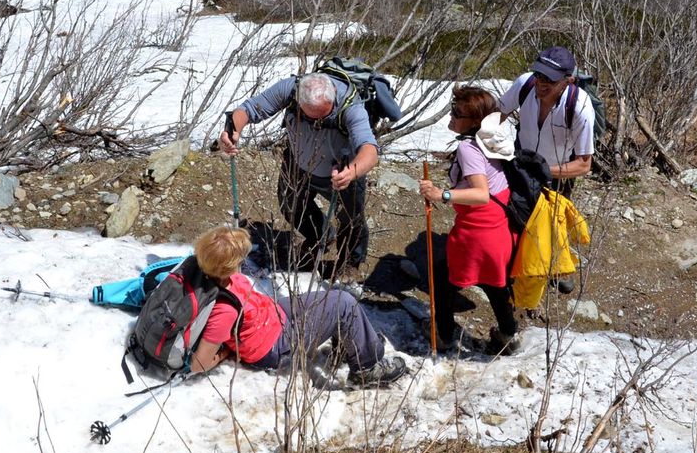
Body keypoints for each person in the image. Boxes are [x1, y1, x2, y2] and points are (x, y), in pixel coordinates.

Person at [187, 226, 407, 387]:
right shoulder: (224, 310)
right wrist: (225, 353)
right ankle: (366, 368)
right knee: (344, 304)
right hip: (274, 344)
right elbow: (199, 363)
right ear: (227, 265)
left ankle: (351, 342)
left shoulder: (211, 273)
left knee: (333, 299)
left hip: (271, 315)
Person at [219, 72, 378, 272]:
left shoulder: (352, 107)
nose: (317, 123)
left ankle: (350, 262)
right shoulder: (291, 89)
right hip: (298, 163)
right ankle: (320, 235)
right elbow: (249, 109)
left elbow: (369, 150)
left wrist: (352, 172)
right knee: (290, 205)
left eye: (323, 115)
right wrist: (232, 131)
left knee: (351, 218)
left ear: (333, 94)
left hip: (341, 170)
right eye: (310, 116)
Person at [418, 86, 521, 355]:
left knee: (443, 277)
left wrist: (441, 194)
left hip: (477, 230)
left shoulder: (468, 148)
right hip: (499, 229)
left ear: (475, 121)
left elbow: (480, 193)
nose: (451, 116)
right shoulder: (494, 140)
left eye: (457, 113)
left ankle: (443, 335)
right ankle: (508, 334)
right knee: (493, 281)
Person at [498, 46, 595, 198]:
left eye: (549, 79)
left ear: (568, 81)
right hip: (519, 165)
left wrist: (544, 171)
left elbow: (583, 164)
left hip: (557, 177)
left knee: (550, 221)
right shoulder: (525, 84)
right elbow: (497, 115)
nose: (540, 82)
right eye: (538, 74)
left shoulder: (580, 107)